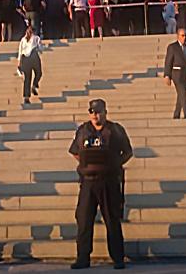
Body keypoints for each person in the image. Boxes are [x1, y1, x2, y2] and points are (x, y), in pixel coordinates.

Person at [69, 99, 133, 270]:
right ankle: (83, 257)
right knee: (83, 221)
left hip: (109, 182)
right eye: (92, 112)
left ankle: (118, 257)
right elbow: (75, 151)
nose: (95, 115)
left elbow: (128, 152)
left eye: (98, 112)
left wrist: (114, 164)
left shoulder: (115, 130)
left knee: (112, 221)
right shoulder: (83, 130)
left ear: (105, 112)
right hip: (88, 183)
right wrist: (86, 164)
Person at [164, 27, 186, 119]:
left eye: (185, 36)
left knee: (181, 94)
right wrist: (167, 75)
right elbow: (168, 61)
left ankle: (176, 114)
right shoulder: (172, 47)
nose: (184, 38)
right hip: (176, 74)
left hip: (185, 75)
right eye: (182, 35)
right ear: (178, 36)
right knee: (182, 94)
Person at [17, 26, 43, 104]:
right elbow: (40, 48)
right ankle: (33, 87)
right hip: (32, 56)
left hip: (25, 58)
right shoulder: (35, 38)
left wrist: (19, 62)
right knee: (37, 73)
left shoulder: (24, 39)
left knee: (28, 78)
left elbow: (20, 52)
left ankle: (27, 96)